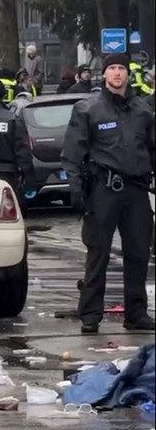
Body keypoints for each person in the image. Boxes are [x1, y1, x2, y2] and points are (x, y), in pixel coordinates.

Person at [60, 53, 155, 333]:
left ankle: (136, 314)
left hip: (136, 190)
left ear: (127, 74)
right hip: (103, 190)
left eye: (121, 68)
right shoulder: (88, 109)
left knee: (138, 253)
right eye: (112, 68)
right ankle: (90, 315)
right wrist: (75, 189)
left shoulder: (142, 111)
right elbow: (72, 152)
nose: (117, 73)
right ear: (104, 74)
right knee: (98, 252)